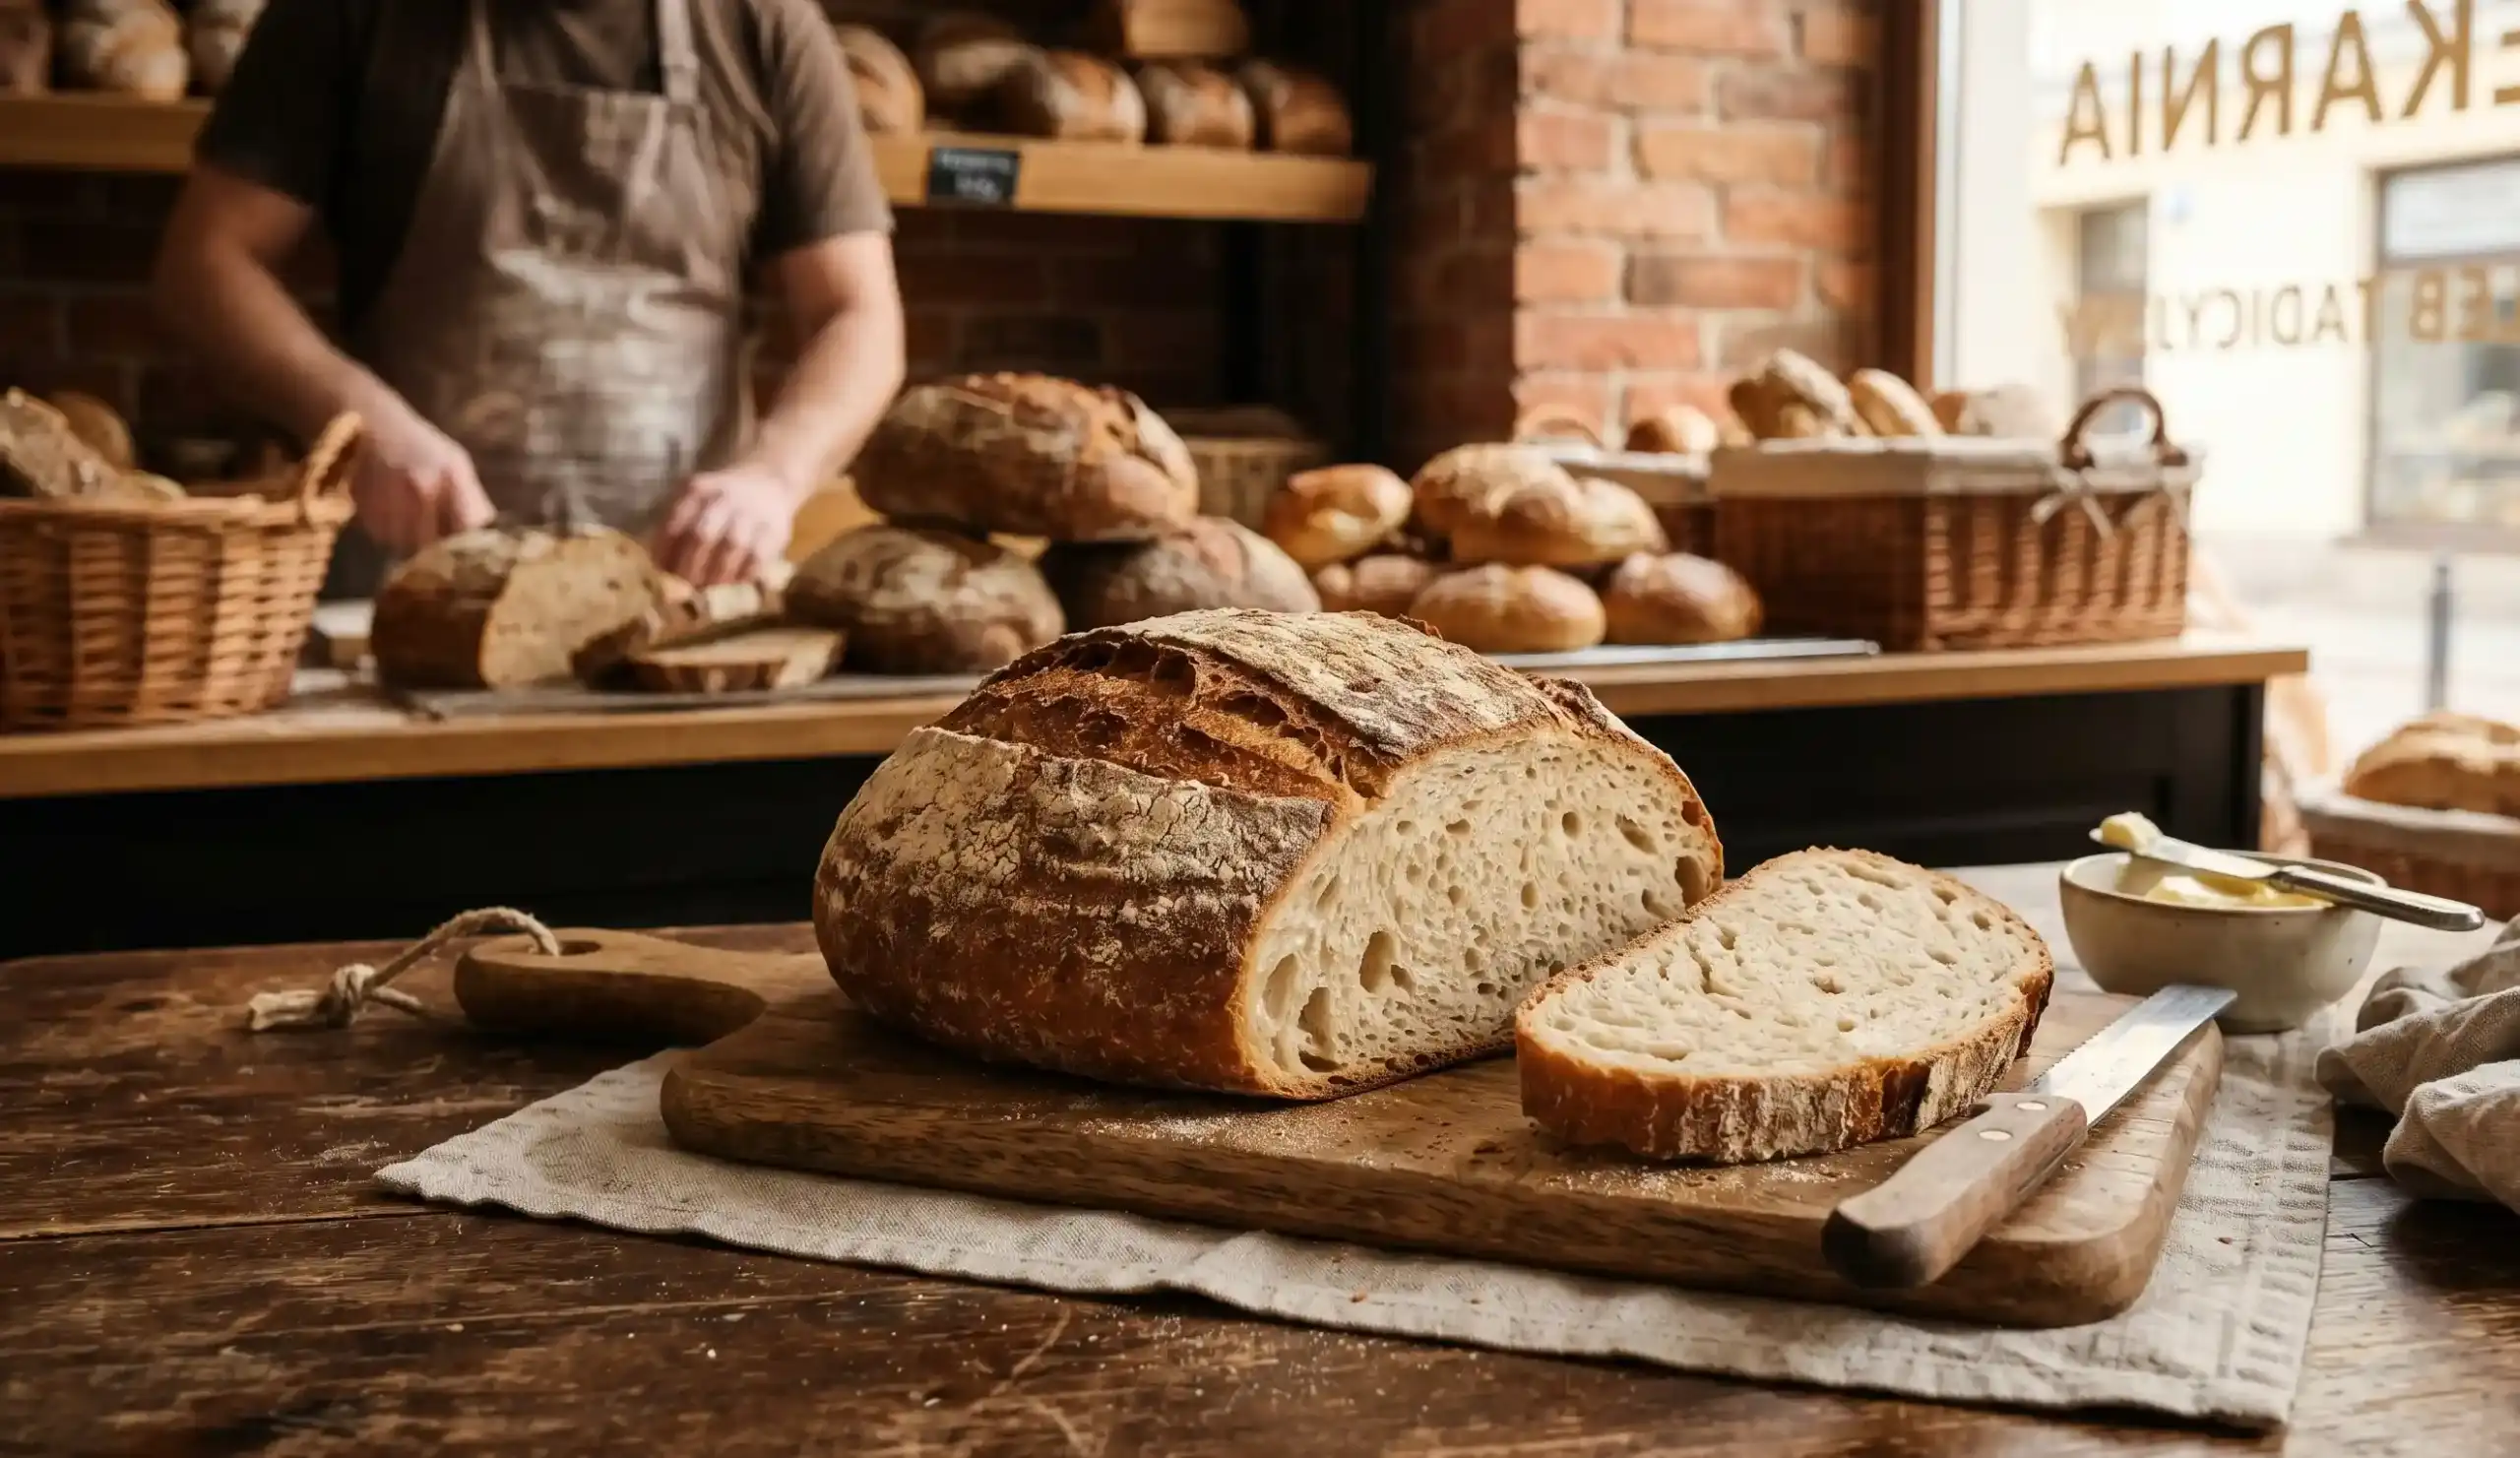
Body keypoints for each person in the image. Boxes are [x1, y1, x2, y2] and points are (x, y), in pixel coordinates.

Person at [153, 0, 906, 589]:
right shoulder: (355, 14)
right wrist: (366, 426)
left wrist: (772, 477)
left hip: (678, 599)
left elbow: (860, 314)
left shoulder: (763, 28)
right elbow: (206, 262)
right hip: (410, 580)